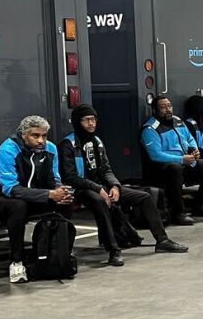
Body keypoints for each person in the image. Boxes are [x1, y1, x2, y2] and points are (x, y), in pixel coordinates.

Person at [59, 103, 188, 263]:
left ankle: (162, 240)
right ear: (78, 122)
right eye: (86, 120)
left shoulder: (97, 141)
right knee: (100, 202)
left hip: (102, 187)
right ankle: (113, 250)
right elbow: (70, 177)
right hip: (81, 189)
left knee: (144, 197)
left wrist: (115, 186)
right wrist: (98, 188)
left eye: (93, 119)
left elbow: (106, 169)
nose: (91, 123)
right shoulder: (68, 144)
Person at [0, 115, 75, 284]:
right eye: (35, 136)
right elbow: (10, 189)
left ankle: (60, 252)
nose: (41, 140)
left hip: (34, 196)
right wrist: (48, 194)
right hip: (1, 199)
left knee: (66, 200)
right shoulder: (7, 150)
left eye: (44, 136)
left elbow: (53, 179)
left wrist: (60, 190)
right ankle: (16, 262)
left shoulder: (50, 149)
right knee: (18, 206)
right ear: (23, 135)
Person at [141, 94, 203, 224]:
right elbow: (155, 155)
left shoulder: (178, 121)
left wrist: (194, 149)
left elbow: (190, 138)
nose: (168, 109)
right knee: (175, 168)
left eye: (169, 106)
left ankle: (201, 205)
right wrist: (181, 159)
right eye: (163, 107)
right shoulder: (150, 129)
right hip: (165, 166)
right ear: (155, 111)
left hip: (187, 160)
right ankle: (178, 212)